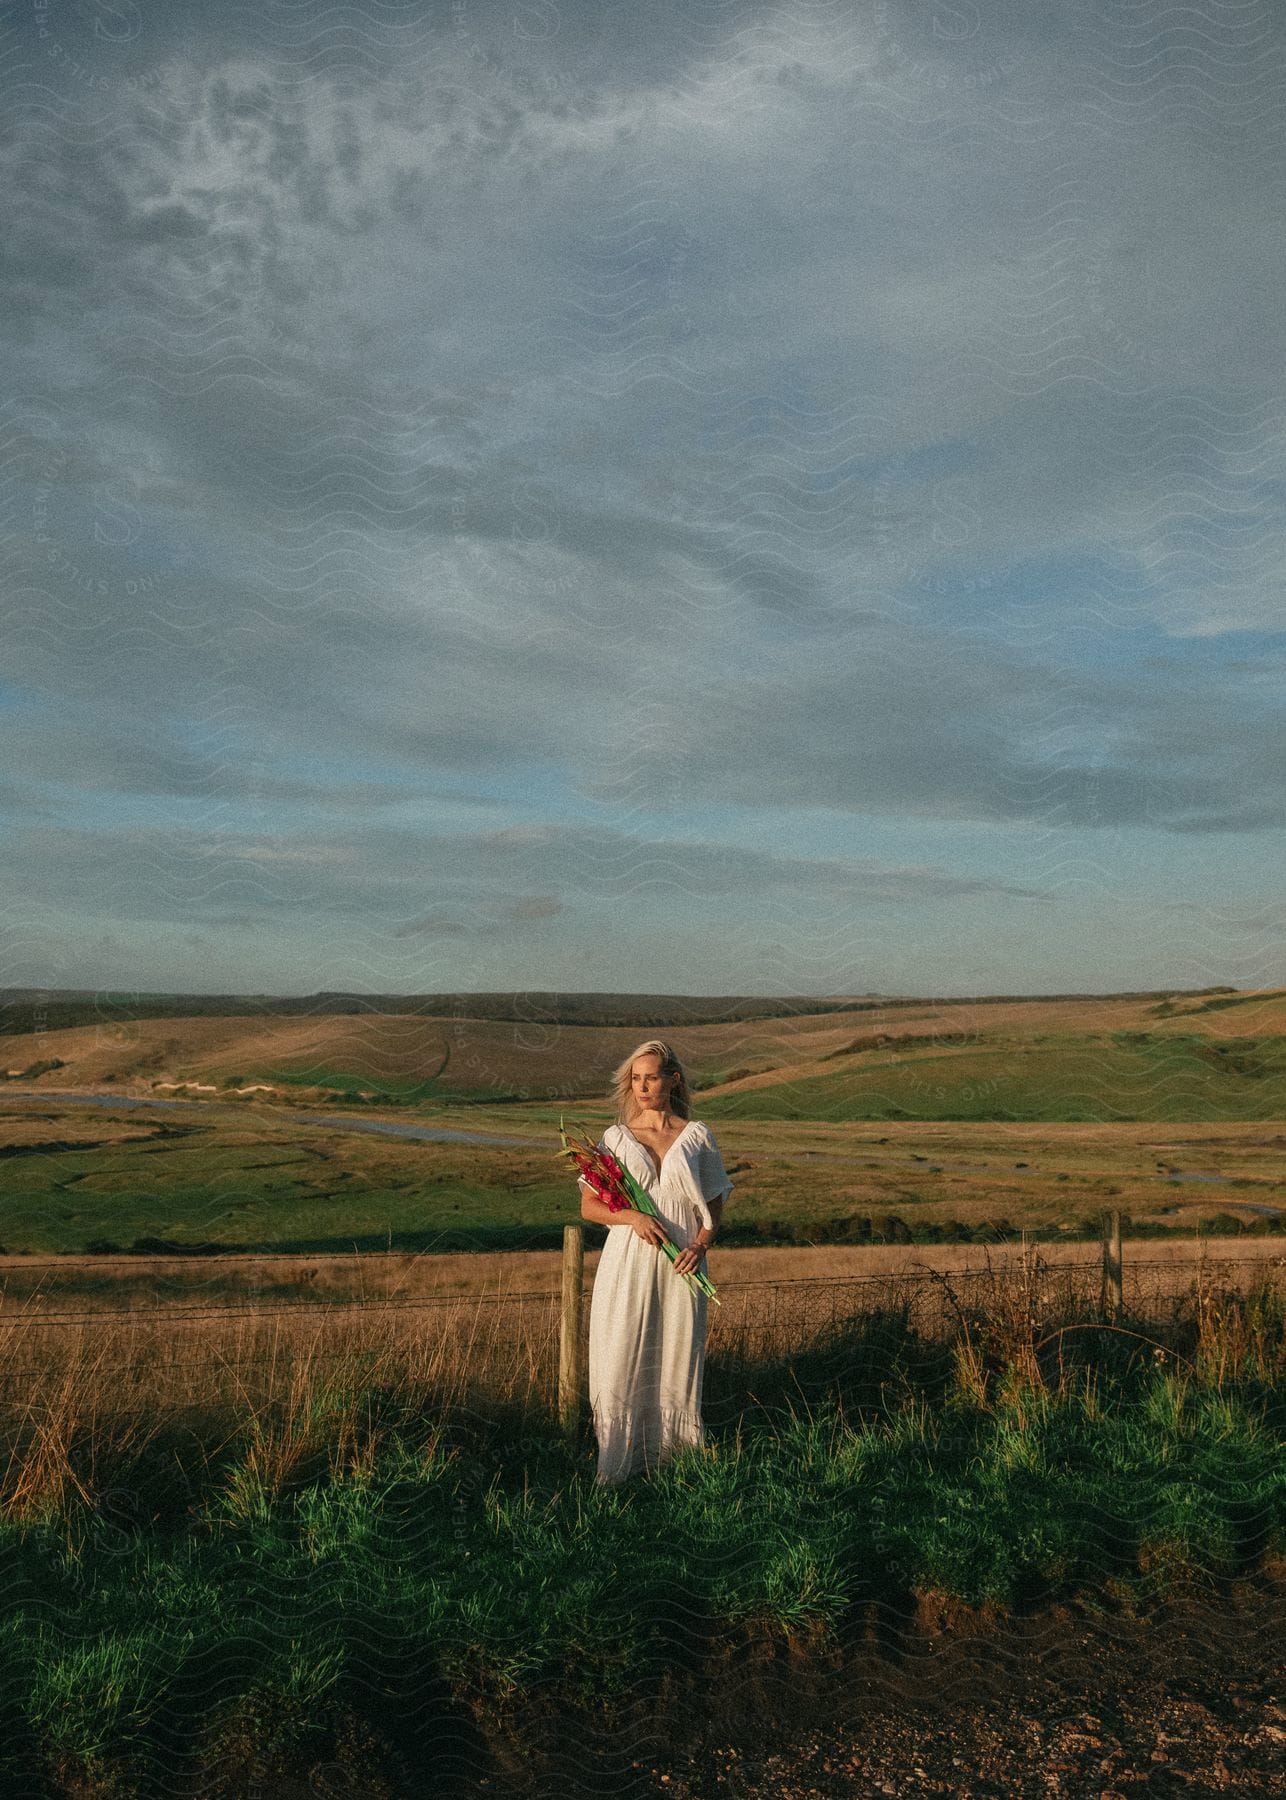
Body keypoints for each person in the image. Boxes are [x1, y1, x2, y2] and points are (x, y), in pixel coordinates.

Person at [575, 1039, 734, 1484]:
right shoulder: (616, 1139)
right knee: (622, 1351)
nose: (642, 1087)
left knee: (679, 1355)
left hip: (683, 1263)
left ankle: (676, 1462)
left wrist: (701, 1245)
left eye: (652, 1077)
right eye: (636, 1079)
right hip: (629, 1261)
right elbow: (590, 1206)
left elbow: (716, 1200)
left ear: (673, 1080)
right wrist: (631, 1216)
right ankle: (618, 1464)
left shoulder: (698, 1136)